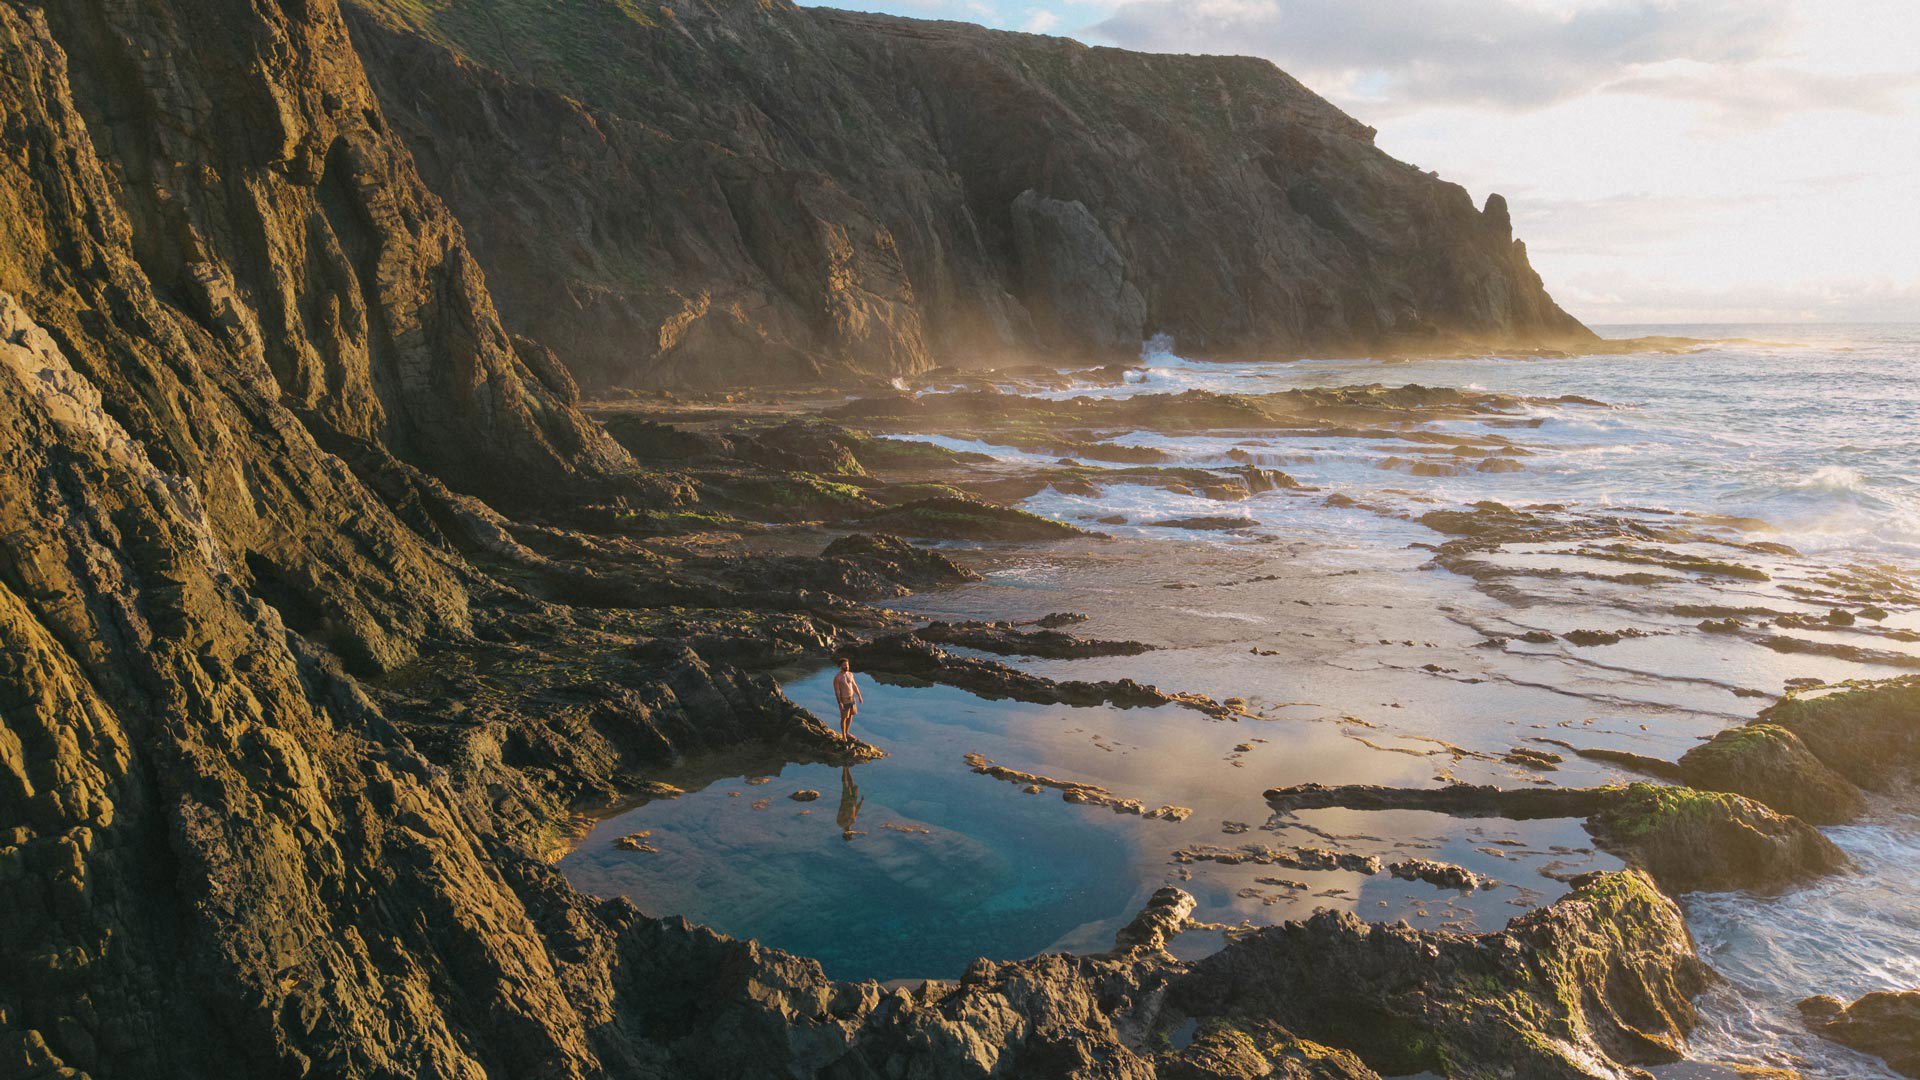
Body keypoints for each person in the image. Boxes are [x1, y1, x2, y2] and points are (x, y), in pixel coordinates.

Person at [832, 657, 863, 738]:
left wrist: (859, 696)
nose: (846, 666)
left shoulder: (850, 674)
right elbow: (837, 691)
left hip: (852, 698)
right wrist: (840, 703)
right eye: (844, 665)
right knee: (844, 718)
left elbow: (854, 686)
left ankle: (847, 732)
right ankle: (843, 735)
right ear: (840, 666)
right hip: (844, 700)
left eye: (847, 665)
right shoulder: (837, 677)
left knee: (851, 715)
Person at [836, 766, 865, 841]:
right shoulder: (852, 821)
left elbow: (840, 811)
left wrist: (845, 803)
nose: (850, 832)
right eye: (851, 834)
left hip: (846, 800)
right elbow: (856, 810)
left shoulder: (840, 823)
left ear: (846, 833)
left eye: (849, 834)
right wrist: (861, 801)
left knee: (845, 784)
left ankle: (844, 769)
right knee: (851, 784)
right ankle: (847, 768)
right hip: (853, 801)